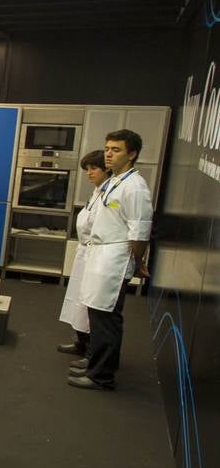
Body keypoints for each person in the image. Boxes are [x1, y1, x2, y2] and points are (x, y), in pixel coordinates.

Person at [69, 130, 153, 391]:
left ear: (132, 154)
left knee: (106, 317)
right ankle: (94, 361)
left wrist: (138, 262)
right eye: (107, 148)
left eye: (115, 149)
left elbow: (139, 230)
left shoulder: (135, 187)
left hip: (114, 259)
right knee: (96, 313)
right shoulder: (115, 181)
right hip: (101, 255)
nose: (108, 153)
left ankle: (102, 376)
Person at [58, 150, 109, 358]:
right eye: (87, 169)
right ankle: (81, 341)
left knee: (90, 303)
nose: (89, 173)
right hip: (85, 253)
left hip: (96, 254)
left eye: (94, 169)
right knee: (78, 299)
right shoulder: (97, 191)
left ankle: (91, 351)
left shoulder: (109, 193)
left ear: (106, 169)